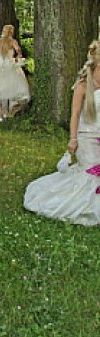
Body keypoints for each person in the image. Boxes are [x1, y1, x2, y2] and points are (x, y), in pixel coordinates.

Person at [24, 41, 100, 225]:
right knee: (92, 173)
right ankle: (84, 206)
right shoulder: (83, 86)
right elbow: (74, 115)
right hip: (86, 137)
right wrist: (73, 139)